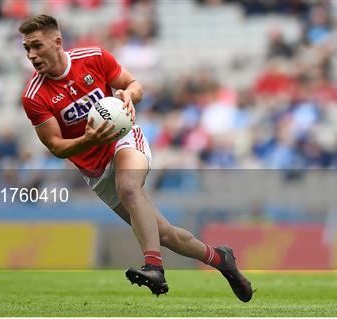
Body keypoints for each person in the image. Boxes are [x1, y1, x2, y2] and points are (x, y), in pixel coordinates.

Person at [19, 14, 253, 301]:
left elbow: (134, 86)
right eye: (27, 48)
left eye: (37, 46)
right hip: (96, 169)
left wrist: (129, 95)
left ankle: (153, 267)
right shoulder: (34, 96)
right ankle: (221, 260)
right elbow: (56, 146)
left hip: (124, 139)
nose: (32, 55)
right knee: (165, 234)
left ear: (57, 41)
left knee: (129, 186)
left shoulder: (93, 57)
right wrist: (89, 140)